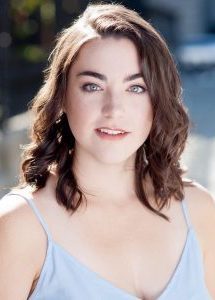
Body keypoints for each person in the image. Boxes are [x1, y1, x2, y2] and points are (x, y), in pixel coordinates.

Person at [0, 3, 214, 300]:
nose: (114, 109)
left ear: (158, 99)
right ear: (62, 96)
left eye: (136, 88)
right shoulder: (20, 226)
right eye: (92, 86)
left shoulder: (199, 210)